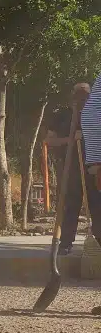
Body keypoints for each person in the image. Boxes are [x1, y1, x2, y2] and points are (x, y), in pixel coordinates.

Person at [43, 83, 99, 254]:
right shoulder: (62, 116)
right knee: (70, 205)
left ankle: (98, 243)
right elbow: (49, 141)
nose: (83, 100)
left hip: (94, 168)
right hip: (70, 168)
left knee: (97, 206)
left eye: (86, 96)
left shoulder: (96, 116)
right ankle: (66, 243)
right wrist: (70, 140)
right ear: (72, 97)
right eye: (79, 96)